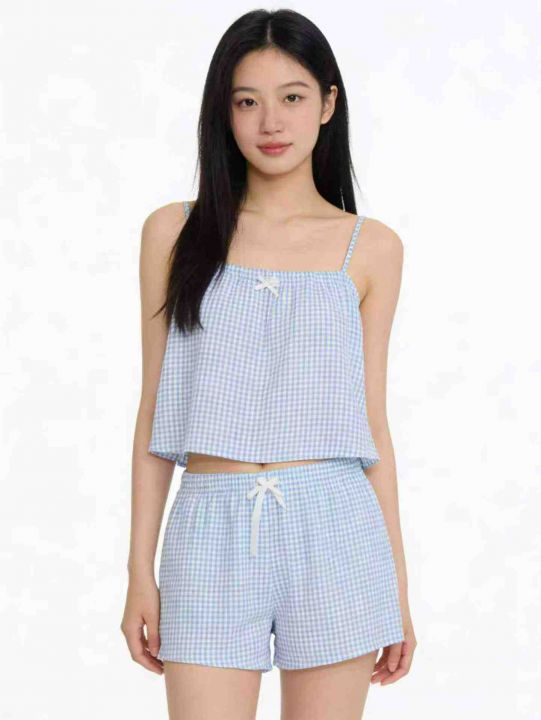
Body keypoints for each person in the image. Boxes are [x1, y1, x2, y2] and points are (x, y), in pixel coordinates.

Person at [121, 8, 416, 719]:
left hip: (335, 527)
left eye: (292, 97)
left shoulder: (371, 247)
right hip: (209, 528)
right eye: (247, 101)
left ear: (327, 104)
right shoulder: (174, 232)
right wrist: (139, 570)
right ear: (222, 113)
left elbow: (371, 425)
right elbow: (154, 410)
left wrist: (397, 591)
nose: (270, 122)